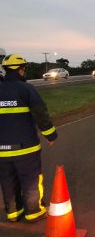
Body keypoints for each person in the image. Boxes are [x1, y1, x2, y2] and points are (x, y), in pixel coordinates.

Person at [0, 54, 58, 223]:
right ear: (21, 69)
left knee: (7, 180)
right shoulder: (27, 89)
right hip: (26, 148)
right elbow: (40, 113)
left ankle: (13, 212)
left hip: (1, 151)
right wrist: (50, 135)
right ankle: (34, 212)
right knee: (30, 179)